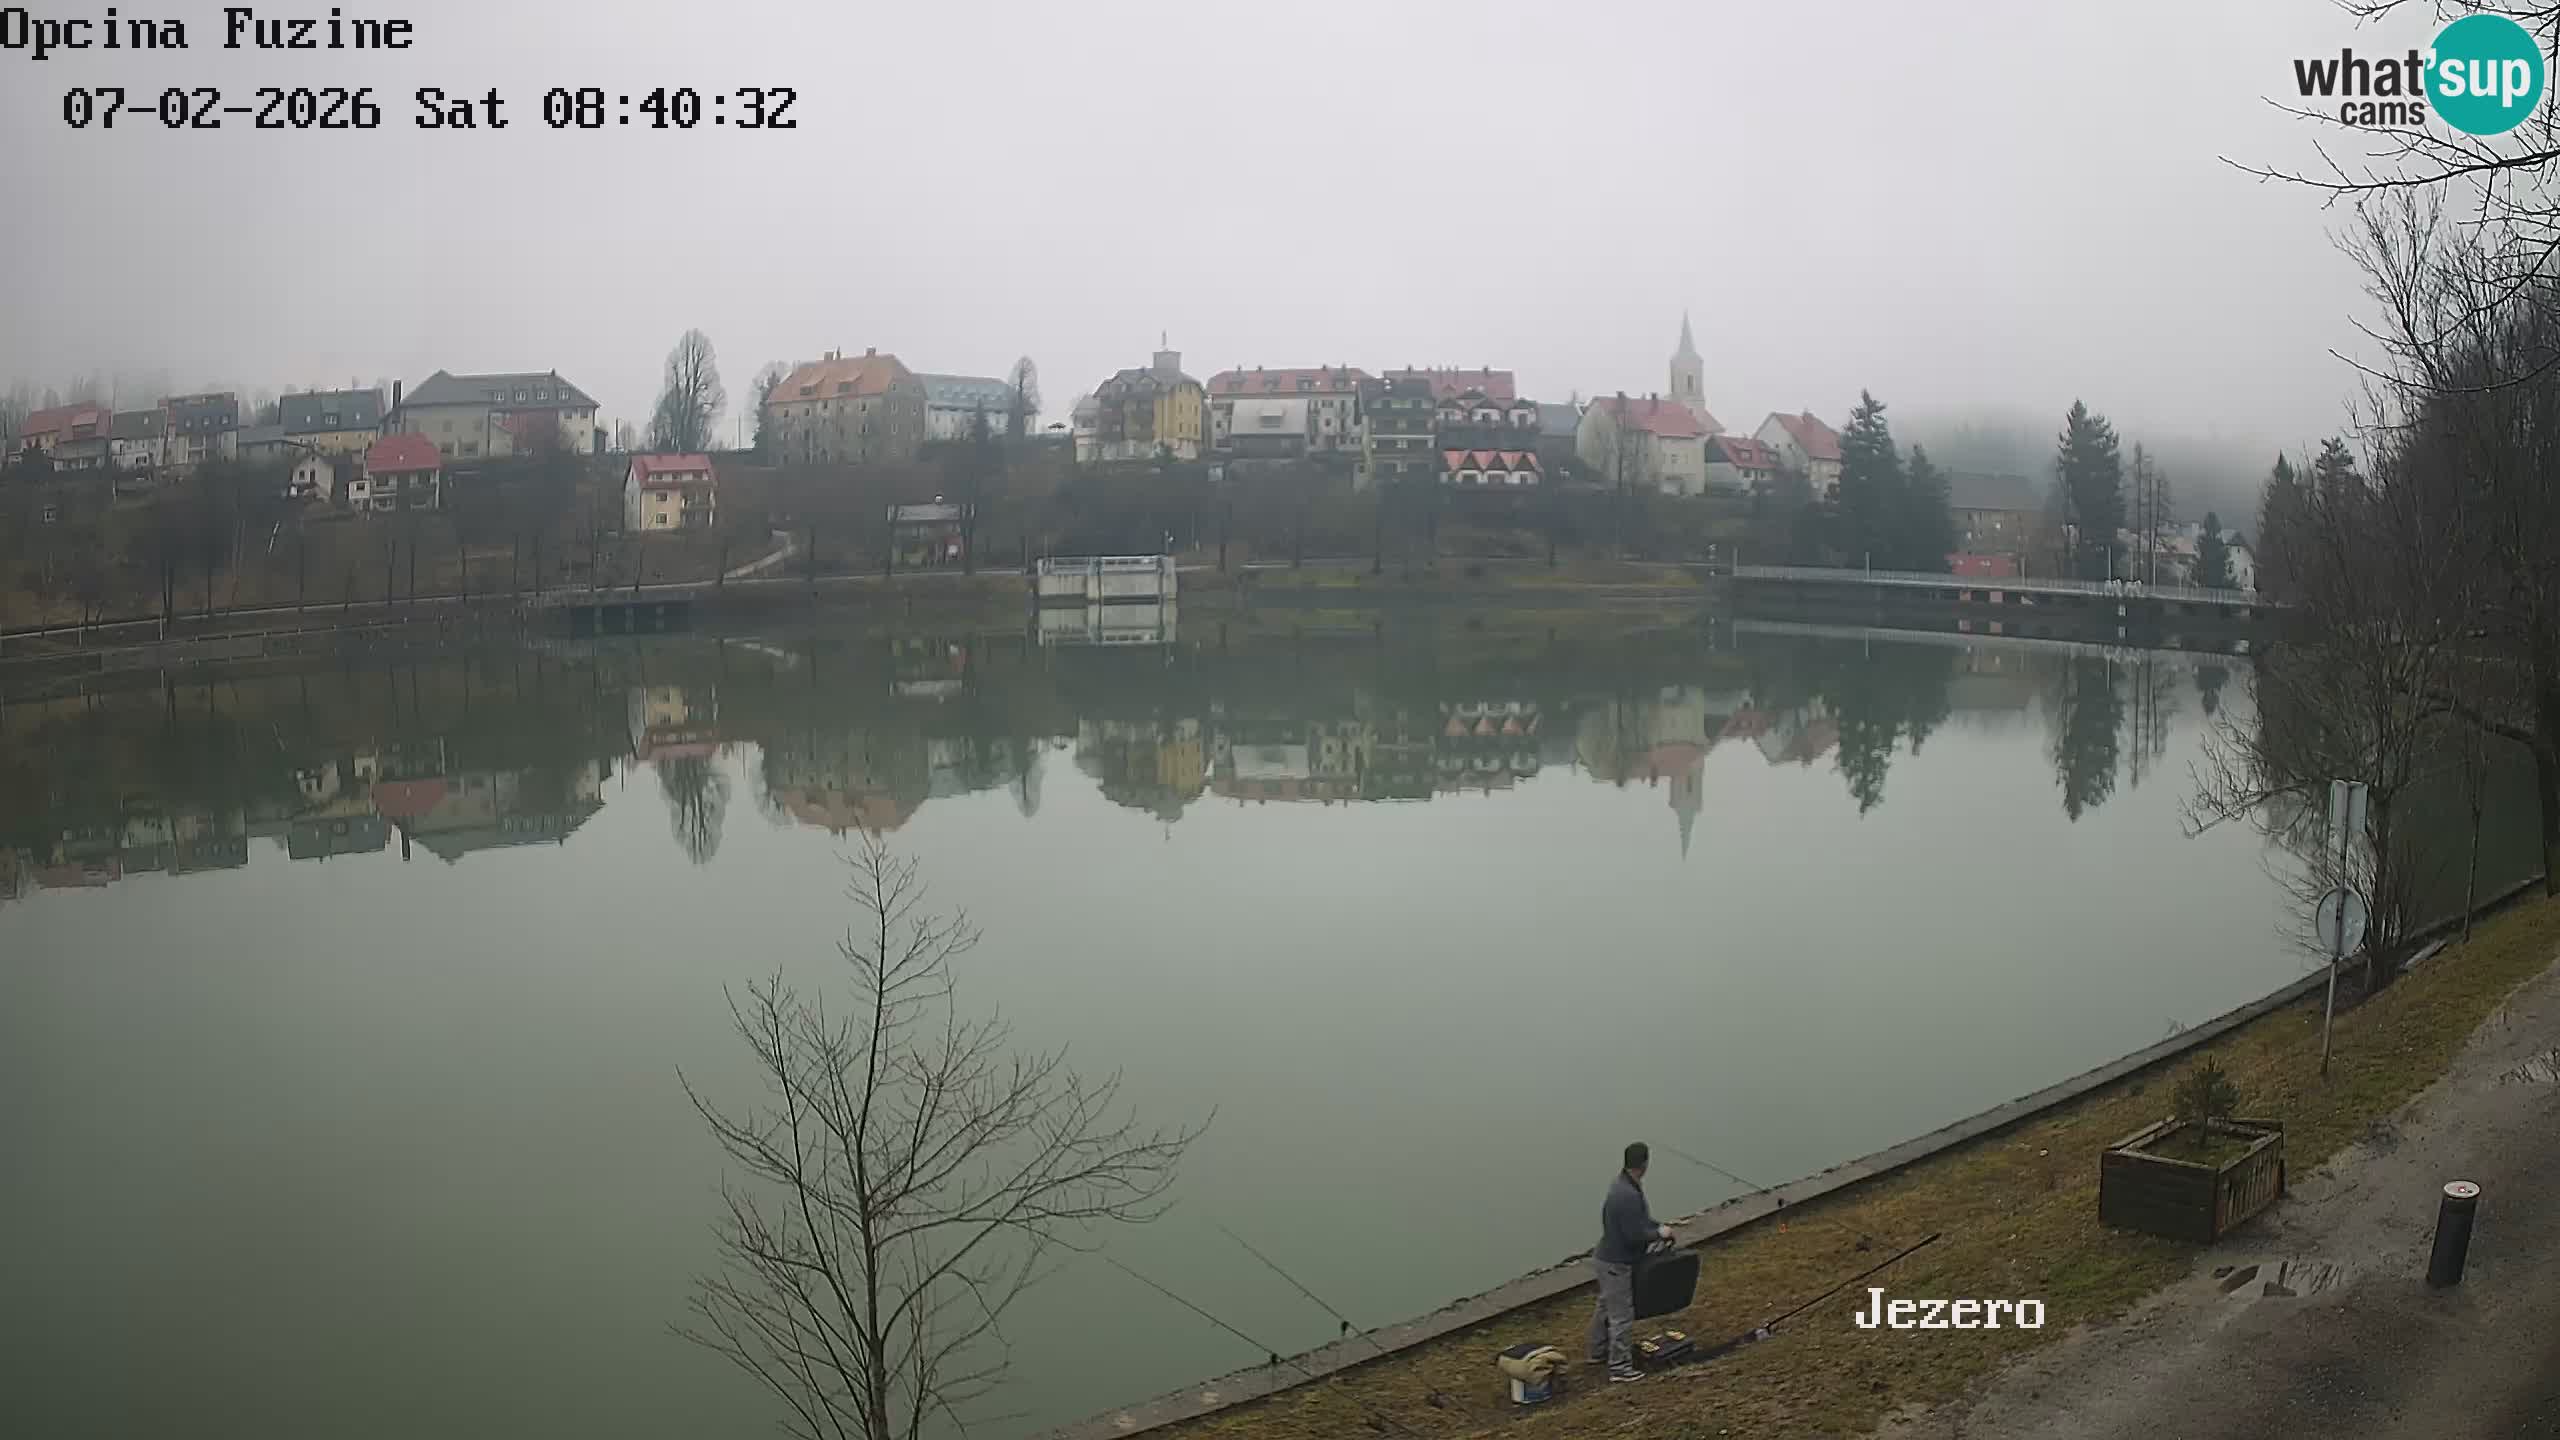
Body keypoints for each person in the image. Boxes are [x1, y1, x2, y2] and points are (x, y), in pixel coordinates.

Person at [1588, 1141, 1674, 1382]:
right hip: (1616, 1264)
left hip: (1605, 1258)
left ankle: (1597, 1351)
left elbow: (1640, 1221)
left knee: (1605, 1306)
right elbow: (1633, 1235)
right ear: (1645, 1163)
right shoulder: (1626, 1194)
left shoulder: (1624, 1184)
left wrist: (1657, 1226)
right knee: (1621, 1316)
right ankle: (1620, 1368)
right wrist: (1660, 1234)